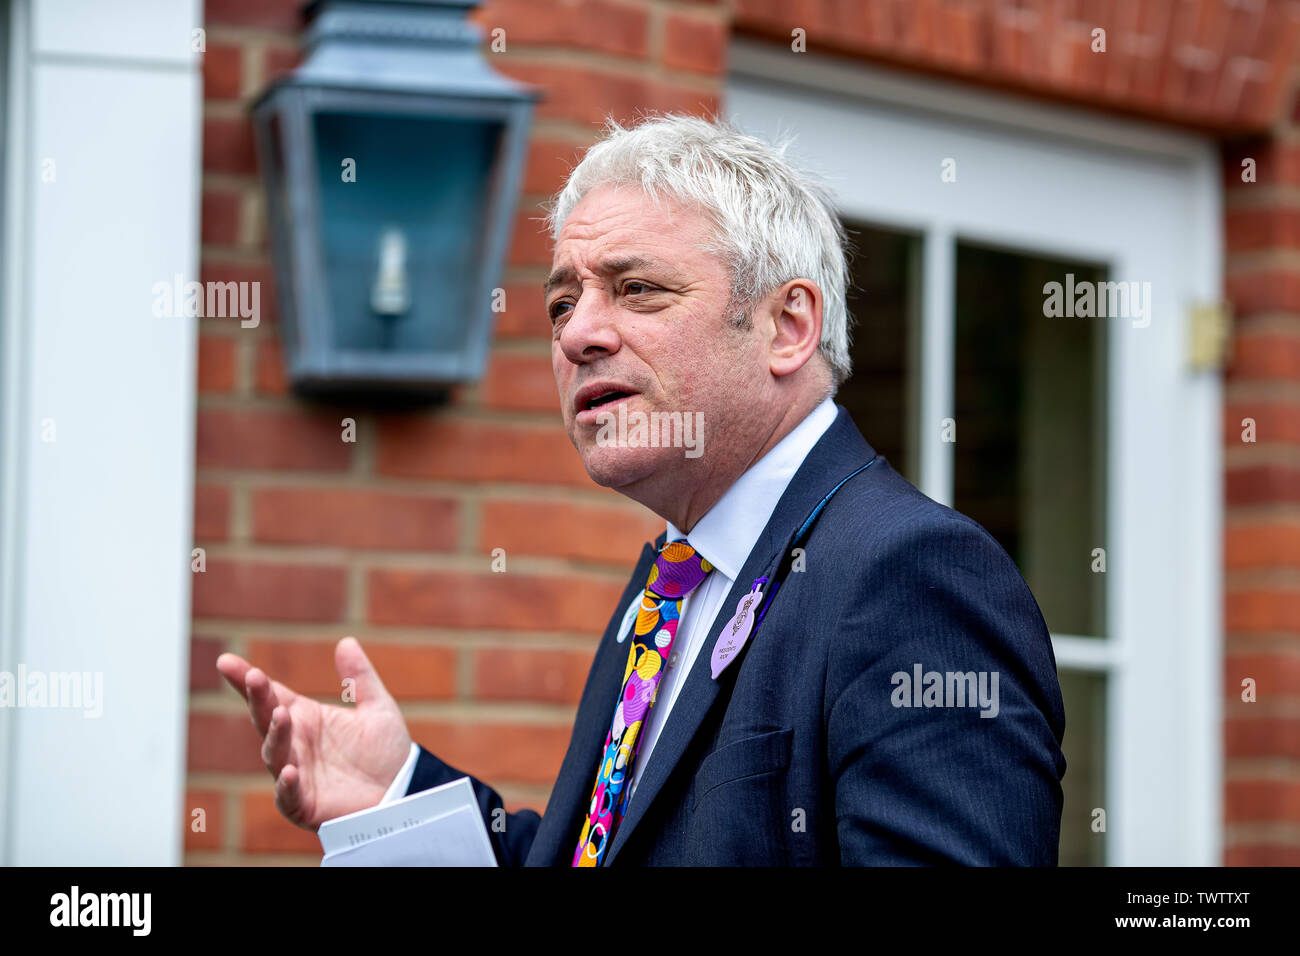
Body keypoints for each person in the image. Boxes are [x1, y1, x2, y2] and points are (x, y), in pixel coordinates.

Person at [218, 113, 1066, 866]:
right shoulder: (667, 585)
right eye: (561, 304)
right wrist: (397, 795)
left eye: (637, 289)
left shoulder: (911, 575)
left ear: (787, 326)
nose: (578, 333)